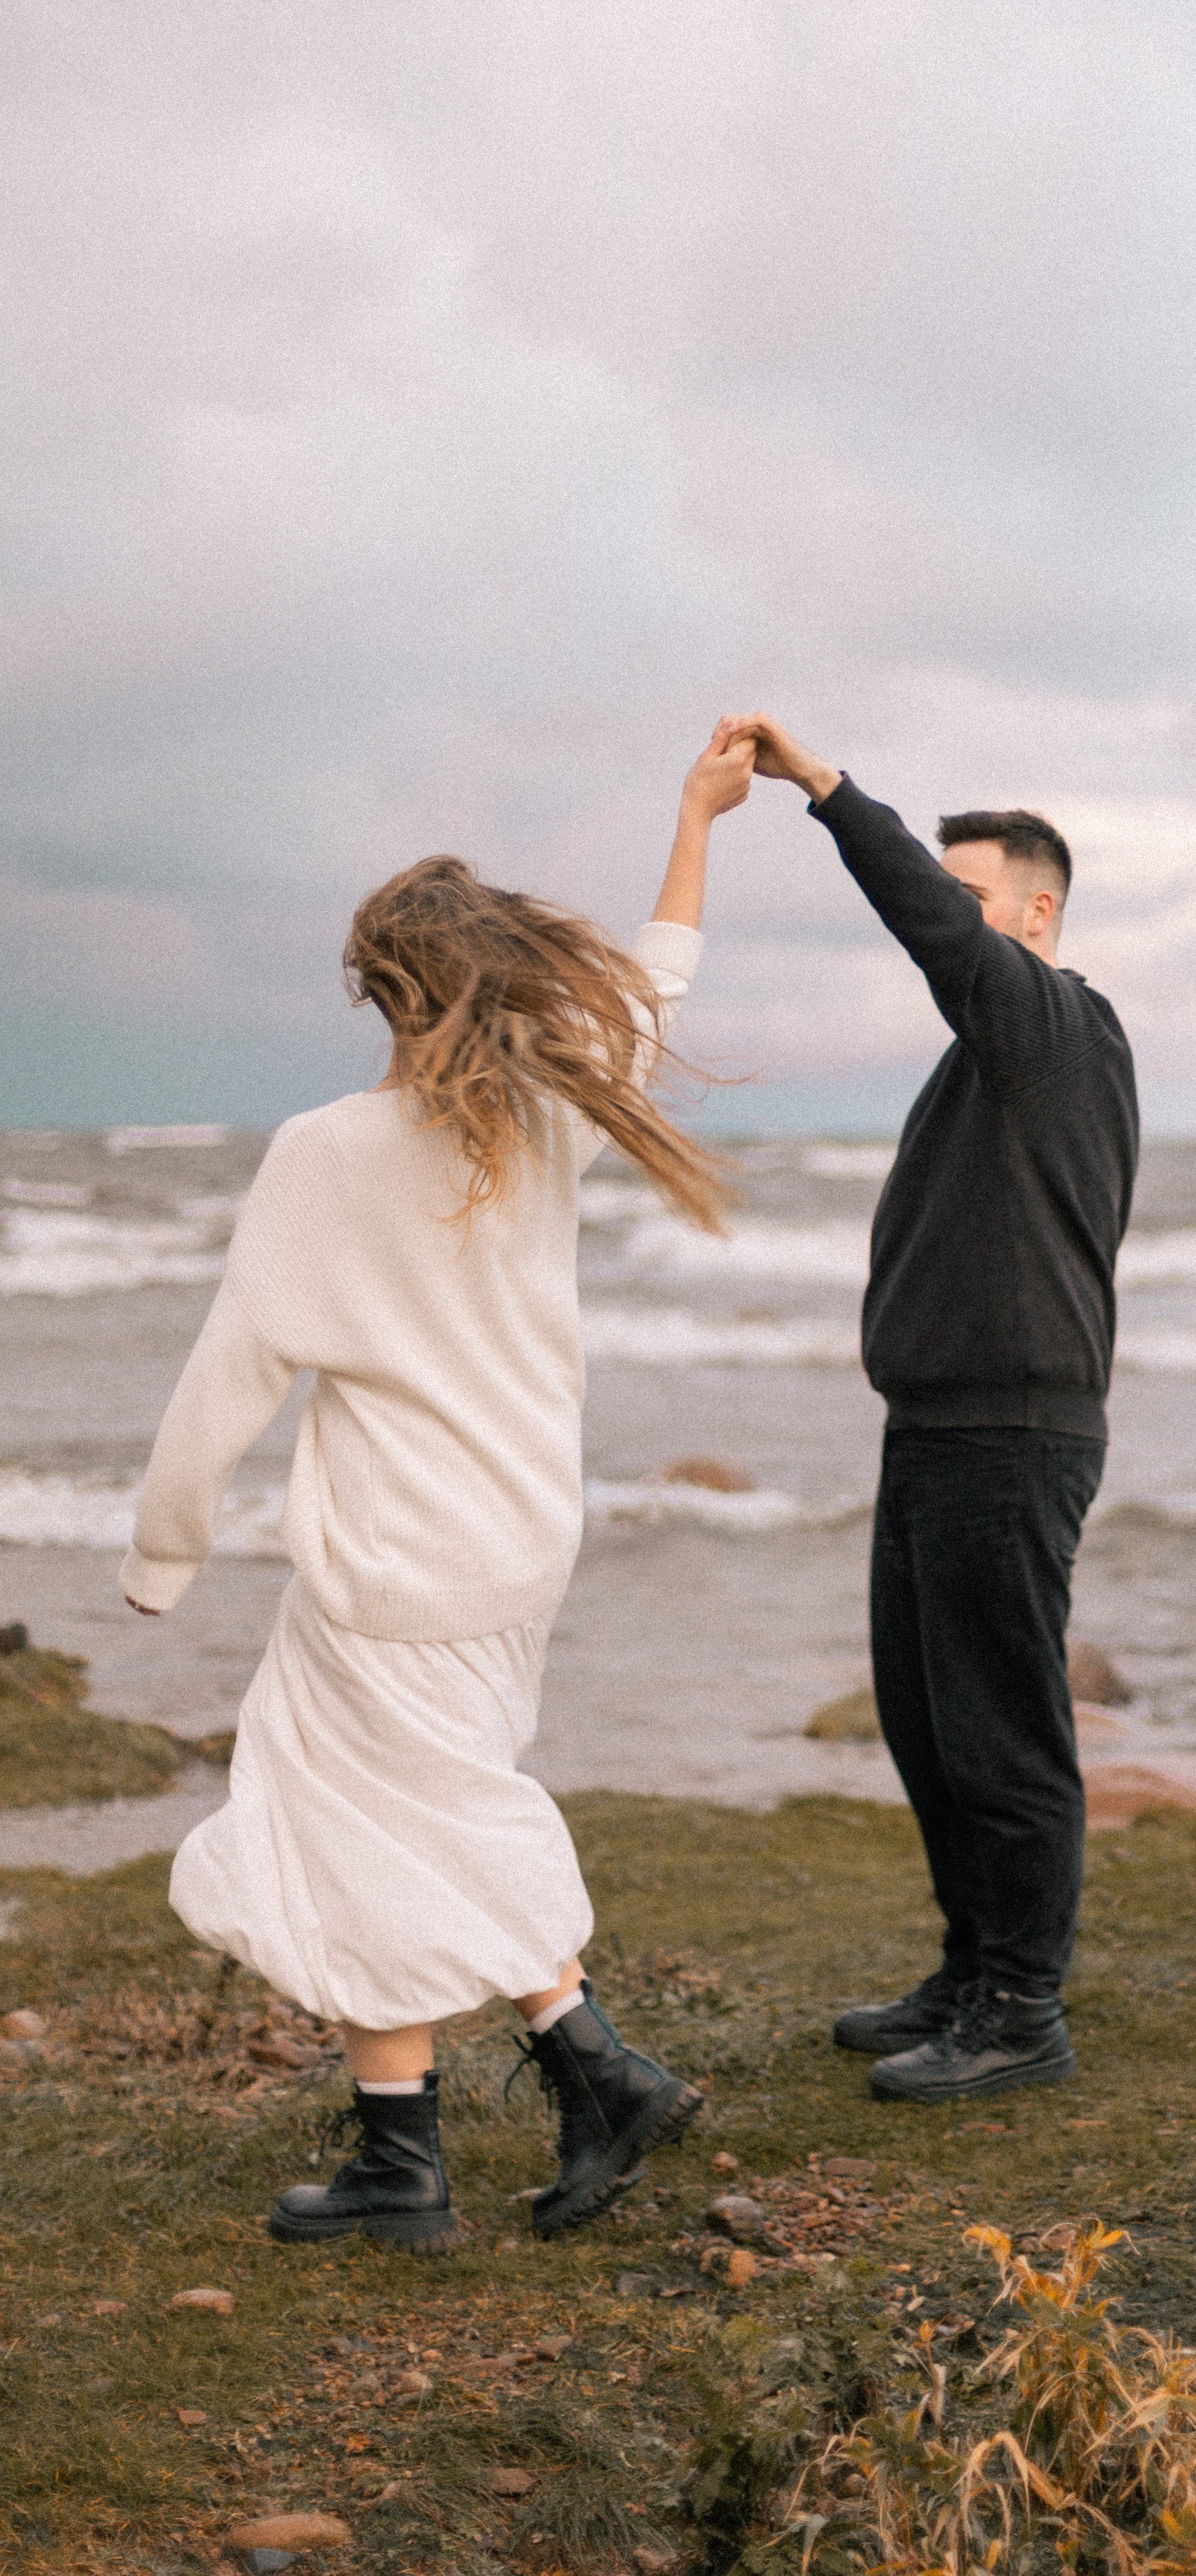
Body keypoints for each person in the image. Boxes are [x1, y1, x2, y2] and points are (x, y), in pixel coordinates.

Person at [120, 730, 755, 2247]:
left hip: (396, 1568)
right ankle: (406, 2154)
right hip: (521, 1548)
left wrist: (163, 1550)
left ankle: (582, 2070)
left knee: (381, 1808)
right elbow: (657, 982)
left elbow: (236, 1365)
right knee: (382, 1816)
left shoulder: (324, 1152)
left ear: (374, 989)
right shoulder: (550, 1115)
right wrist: (694, 820)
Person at [718, 713, 1139, 2103]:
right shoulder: (987, 1052)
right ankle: (972, 1969)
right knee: (926, 1718)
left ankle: (1024, 2011)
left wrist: (827, 791)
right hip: (939, 1427)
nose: (949, 925)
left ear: (1037, 912)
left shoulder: (1055, 1024)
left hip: (1013, 1432)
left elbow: (933, 931)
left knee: (1005, 1731)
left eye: (972, 900)